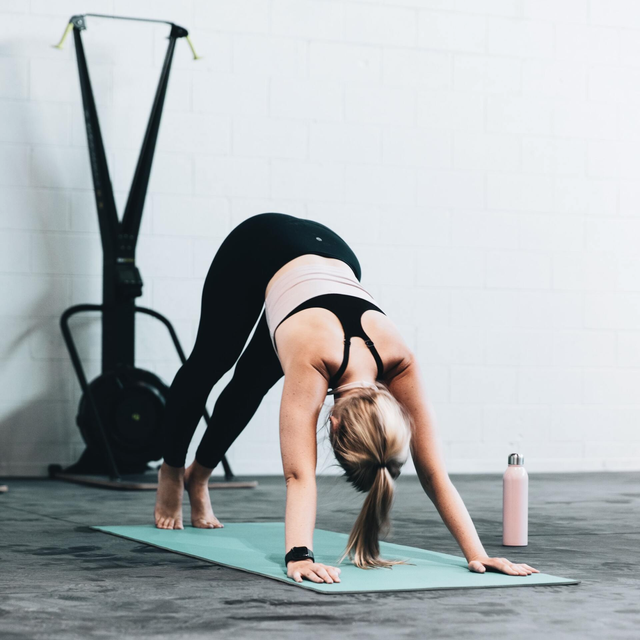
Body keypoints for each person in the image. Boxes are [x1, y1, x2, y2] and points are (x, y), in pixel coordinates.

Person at [154, 212, 539, 584]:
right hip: (259, 245)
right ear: (333, 423)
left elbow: (434, 472)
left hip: (335, 257)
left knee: (250, 385)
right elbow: (298, 475)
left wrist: (478, 552)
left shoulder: (399, 361)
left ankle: (198, 477)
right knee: (212, 361)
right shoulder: (318, 359)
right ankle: (171, 471)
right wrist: (299, 556)